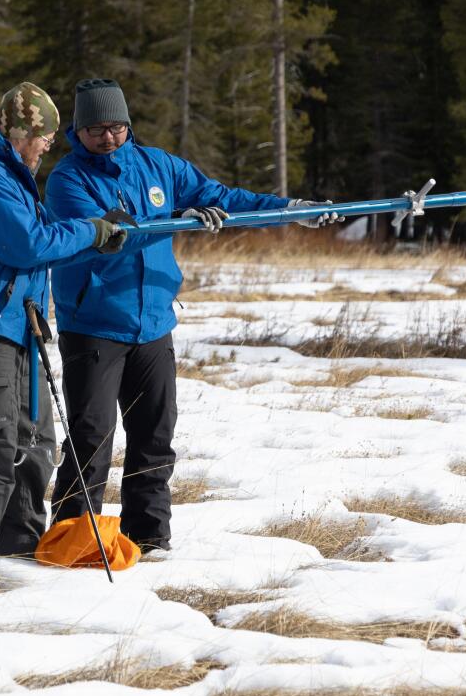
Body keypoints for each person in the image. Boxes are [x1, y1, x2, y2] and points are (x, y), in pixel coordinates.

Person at [44, 77, 341, 553]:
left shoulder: (158, 165)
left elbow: (225, 196)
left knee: (154, 437)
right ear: (77, 132)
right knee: (91, 440)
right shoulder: (67, 181)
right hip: (95, 325)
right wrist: (184, 220)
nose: (108, 138)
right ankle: (71, 537)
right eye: (96, 129)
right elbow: (110, 236)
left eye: (116, 127)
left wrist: (291, 210)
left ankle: (149, 537)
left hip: (154, 325)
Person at [0, 82, 128, 573]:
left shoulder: (14, 175)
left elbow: (45, 240)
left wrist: (98, 238)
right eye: (44, 136)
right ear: (22, 131)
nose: (49, 145)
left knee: (36, 441)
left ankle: (18, 549)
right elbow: (26, 244)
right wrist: (92, 231)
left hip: (23, 328)